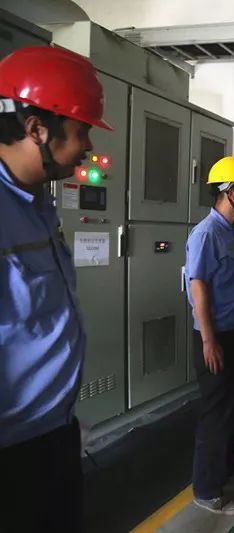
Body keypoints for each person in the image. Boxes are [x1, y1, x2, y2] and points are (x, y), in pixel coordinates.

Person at [0, 46, 112, 532]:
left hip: (52, 433)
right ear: (37, 129)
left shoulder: (37, 202)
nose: (88, 145)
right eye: (81, 129)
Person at [185, 155, 234, 515]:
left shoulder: (230, 230)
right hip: (215, 336)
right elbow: (197, 286)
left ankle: (226, 467)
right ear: (228, 192)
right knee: (216, 411)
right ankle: (206, 488)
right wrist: (208, 340)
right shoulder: (206, 234)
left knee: (233, 405)